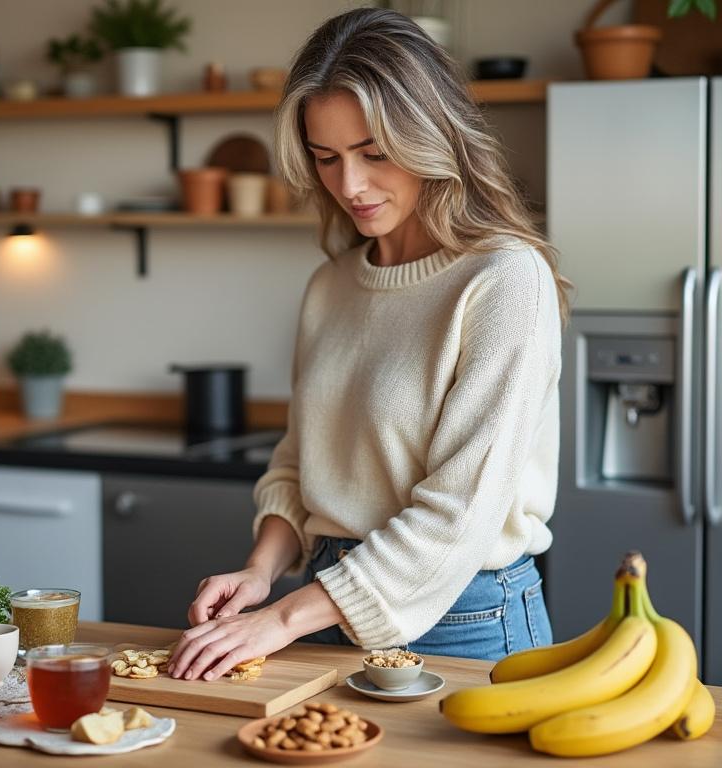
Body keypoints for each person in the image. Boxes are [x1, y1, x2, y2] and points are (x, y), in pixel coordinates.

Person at [168, 7, 571, 682]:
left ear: (431, 137)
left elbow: (458, 516)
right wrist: (261, 572)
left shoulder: (504, 280)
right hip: (323, 606)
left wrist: (283, 619)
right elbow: (300, 461)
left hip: (466, 622)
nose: (348, 185)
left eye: (374, 153)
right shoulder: (332, 285)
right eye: (325, 158)